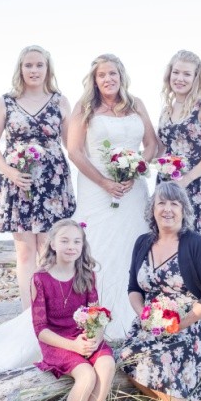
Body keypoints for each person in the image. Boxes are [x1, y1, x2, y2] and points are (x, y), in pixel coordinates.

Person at [117, 182, 201, 401]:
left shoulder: (196, 243)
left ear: (184, 210)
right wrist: (145, 316)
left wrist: (181, 324)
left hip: (195, 321)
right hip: (152, 322)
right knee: (128, 359)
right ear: (152, 209)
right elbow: (133, 288)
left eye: (174, 204)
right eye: (161, 203)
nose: (167, 209)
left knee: (159, 360)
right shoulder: (142, 243)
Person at [66, 54, 160, 338]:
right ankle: (92, 313)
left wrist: (136, 169)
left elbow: (152, 144)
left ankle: (135, 314)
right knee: (98, 245)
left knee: (134, 243)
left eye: (113, 73)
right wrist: (105, 182)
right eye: (101, 75)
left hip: (133, 190)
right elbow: (75, 152)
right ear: (94, 80)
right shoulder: (84, 108)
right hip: (96, 189)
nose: (108, 79)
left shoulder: (136, 104)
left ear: (122, 75)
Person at [0, 45, 76, 310]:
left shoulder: (60, 101)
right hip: (17, 183)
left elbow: (72, 145)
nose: (34, 70)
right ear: (20, 69)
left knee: (49, 249)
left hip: (53, 185)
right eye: (28, 65)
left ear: (48, 69)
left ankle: (52, 309)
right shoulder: (6, 101)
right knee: (24, 251)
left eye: (39, 65)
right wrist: (9, 171)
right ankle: (29, 314)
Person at [31, 220, 115, 401]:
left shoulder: (87, 275)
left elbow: (96, 315)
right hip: (57, 341)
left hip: (84, 336)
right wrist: (74, 346)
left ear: (83, 245)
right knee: (87, 376)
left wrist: (95, 339)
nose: (71, 246)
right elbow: (40, 329)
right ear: (52, 244)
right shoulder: (40, 279)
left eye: (77, 241)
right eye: (65, 240)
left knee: (106, 366)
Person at [157, 50, 201, 244]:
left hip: (196, 184)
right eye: (176, 72)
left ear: (196, 78)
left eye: (187, 74)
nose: (180, 78)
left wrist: (187, 179)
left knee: (195, 245)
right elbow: (160, 149)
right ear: (169, 74)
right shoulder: (166, 110)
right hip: (167, 185)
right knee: (168, 243)